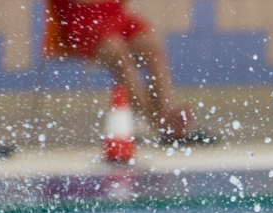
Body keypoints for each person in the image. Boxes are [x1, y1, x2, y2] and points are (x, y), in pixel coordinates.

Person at [44, 0, 208, 144]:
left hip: (116, 15)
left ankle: (165, 111)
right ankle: (155, 120)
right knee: (118, 51)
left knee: (151, 46)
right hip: (82, 20)